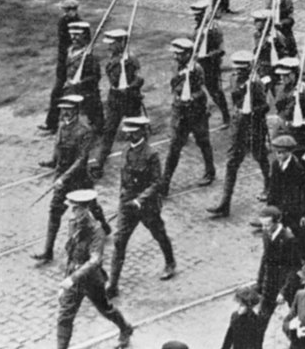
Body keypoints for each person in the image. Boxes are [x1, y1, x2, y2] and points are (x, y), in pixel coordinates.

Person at [33, 95, 110, 263]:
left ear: (76, 111)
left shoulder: (85, 131)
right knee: (55, 211)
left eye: (68, 110)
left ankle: (104, 226)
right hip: (62, 178)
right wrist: (53, 163)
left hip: (79, 179)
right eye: (63, 110)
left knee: (92, 207)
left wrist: (65, 177)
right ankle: (48, 251)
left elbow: (81, 160)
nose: (65, 113)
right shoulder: (61, 127)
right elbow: (58, 150)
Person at [106, 117, 175, 298]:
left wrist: (141, 199)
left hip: (146, 206)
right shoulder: (126, 150)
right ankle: (112, 285)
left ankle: (170, 262)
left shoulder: (151, 154)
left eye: (134, 131)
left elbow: (157, 182)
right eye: (128, 131)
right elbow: (124, 178)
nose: (129, 134)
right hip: (128, 205)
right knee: (119, 241)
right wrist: (123, 198)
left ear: (143, 132)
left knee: (158, 233)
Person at [56, 189, 134, 349]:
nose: (73, 212)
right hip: (74, 280)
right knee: (64, 316)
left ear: (85, 209)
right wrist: (66, 281)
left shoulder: (96, 231)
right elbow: (71, 255)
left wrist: (72, 278)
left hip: (91, 280)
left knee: (105, 309)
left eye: (76, 208)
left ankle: (125, 328)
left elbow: (95, 260)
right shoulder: (74, 223)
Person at [208, 50, 271, 217]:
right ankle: (225, 202)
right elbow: (235, 98)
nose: (238, 72)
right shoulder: (234, 78)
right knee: (232, 162)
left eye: (243, 69)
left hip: (254, 126)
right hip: (238, 126)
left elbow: (265, 107)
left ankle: (269, 186)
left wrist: (252, 109)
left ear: (249, 68)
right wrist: (245, 91)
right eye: (237, 68)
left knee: (260, 157)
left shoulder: (256, 83)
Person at [159, 37, 216, 196]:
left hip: (196, 112)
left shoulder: (197, 69)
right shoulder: (176, 67)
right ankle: (165, 183)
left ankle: (210, 171)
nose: (176, 57)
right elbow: (174, 86)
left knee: (203, 142)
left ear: (188, 54)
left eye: (180, 54)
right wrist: (183, 76)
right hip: (180, 112)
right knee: (174, 148)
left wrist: (192, 96)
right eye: (175, 54)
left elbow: (201, 90)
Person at [91, 27, 144, 179]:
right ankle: (99, 163)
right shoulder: (115, 58)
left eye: (113, 43)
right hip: (115, 98)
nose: (109, 46)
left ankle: (141, 162)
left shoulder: (131, 59)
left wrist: (128, 87)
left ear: (121, 43)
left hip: (130, 99)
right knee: (109, 130)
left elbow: (140, 79)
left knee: (136, 131)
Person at [256, 205, 302, 334]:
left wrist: (284, 291)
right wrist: (260, 282)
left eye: (267, 225)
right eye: (262, 225)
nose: (264, 228)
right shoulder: (266, 234)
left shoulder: (289, 239)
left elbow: (295, 267)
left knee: (296, 319)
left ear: (277, 222)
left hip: (287, 284)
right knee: (261, 320)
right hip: (269, 283)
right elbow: (265, 258)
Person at [42, 0, 81, 133]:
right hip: (63, 64)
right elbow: (62, 45)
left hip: (76, 66)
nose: (70, 12)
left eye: (72, 9)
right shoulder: (62, 22)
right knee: (56, 93)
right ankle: (51, 124)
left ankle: (92, 126)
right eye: (67, 10)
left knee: (80, 96)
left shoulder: (81, 25)